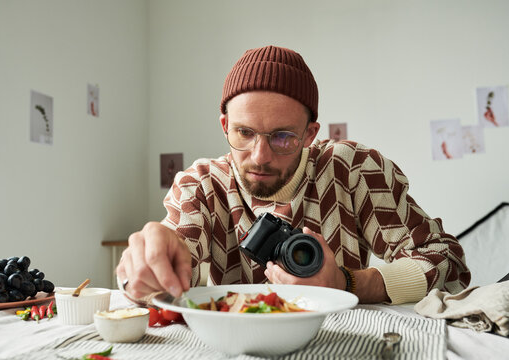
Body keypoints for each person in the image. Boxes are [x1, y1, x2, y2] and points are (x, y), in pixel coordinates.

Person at [116, 45, 470, 304]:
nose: (260, 156)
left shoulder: (352, 170)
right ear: (225, 125)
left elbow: (448, 261)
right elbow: (170, 275)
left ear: (310, 134)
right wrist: (146, 271)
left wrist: (346, 283)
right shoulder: (202, 185)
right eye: (244, 133)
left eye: (283, 137)